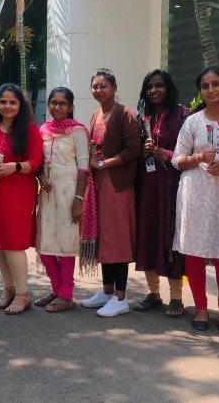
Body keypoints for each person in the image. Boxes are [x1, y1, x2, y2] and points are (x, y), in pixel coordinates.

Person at [171, 66, 219, 331]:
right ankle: (201, 308)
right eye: (205, 86)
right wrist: (199, 157)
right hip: (196, 192)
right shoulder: (193, 122)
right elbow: (177, 160)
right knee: (195, 250)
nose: (211, 90)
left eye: (216, 84)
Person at [79, 68, 142, 318]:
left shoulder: (125, 114)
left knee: (117, 239)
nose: (98, 90)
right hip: (98, 184)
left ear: (114, 88)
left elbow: (134, 149)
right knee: (104, 237)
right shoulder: (96, 114)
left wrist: (104, 164)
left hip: (116, 185)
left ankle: (121, 297)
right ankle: (107, 291)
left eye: (103, 85)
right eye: (95, 86)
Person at [131, 69, 191, 318]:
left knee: (171, 236)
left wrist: (166, 154)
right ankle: (153, 293)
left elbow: (191, 149)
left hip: (172, 184)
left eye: (159, 85)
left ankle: (176, 298)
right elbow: (130, 151)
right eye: (149, 86)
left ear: (169, 88)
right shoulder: (141, 117)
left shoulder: (183, 114)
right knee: (148, 234)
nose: (154, 90)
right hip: (147, 184)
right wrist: (143, 151)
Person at [0, 83, 42, 315]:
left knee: (13, 242)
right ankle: (8, 289)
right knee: (0, 242)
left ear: (20, 105)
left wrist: (15, 166)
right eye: (3, 101)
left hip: (18, 193)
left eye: (13, 102)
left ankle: (23, 294)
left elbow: (36, 161)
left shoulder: (30, 129)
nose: (7, 106)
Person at [34, 87, 89, 313]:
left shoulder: (78, 131)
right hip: (47, 194)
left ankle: (66, 294)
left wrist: (78, 199)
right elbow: (38, 161)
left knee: (66, 244)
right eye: (53, 102)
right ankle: (56, 289)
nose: (57, 107)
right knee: (45, 243)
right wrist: (40, 175)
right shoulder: (43, 130)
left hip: (69, 194)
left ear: (71, 107)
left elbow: (83, 167)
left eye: (62, 103)